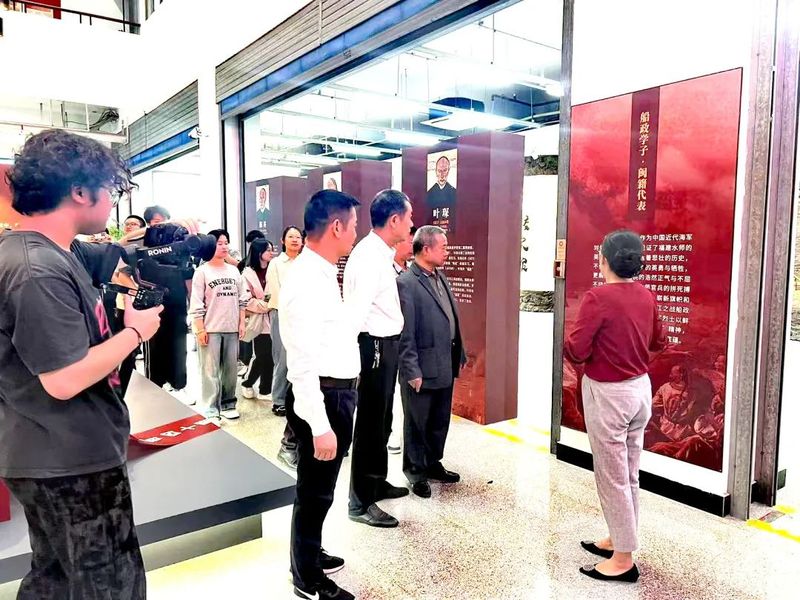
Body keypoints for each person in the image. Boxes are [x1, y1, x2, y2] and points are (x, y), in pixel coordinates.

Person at [0, 129, 163, 598]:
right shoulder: (36, 268)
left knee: (55, 581)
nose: (112, 202)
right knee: (108, 585)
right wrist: (135, 332)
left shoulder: (53, 253)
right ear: (78, 191)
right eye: (108, 190)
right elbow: (64, 378)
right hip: (69, 462)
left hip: (56, 454)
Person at [564, 229, 666, 584]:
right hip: (640, 390)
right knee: (630, 472)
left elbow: (577, 350)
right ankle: (618, 538)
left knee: (612, 476)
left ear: (603, 260)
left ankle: (623, 559)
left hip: (609, 395)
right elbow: (659, 341)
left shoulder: (598, 298)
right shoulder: (646, 295)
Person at [281, 189, 361, 600]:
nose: (356, 233)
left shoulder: (324, 271)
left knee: (320, 489)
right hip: (323, 398)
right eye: (354, 225)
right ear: (336, 226)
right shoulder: (305, 279)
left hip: (337, 394)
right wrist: (319, 425)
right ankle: (306, 577)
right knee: (314, 491)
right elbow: (301, 362)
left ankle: (309, 552)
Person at [345, 189, 414, 528]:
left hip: (386, 344)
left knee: (383, 419)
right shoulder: (369, 256)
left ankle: (376, 481)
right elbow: (356, 312)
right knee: (371, 423)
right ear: (394, 220)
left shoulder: (380, 253)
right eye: (409, 218)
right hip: (373, 344)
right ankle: (359, 501)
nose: (411, 225)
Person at [397, 226, 465, 499]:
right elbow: (405, 332)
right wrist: (411, 369)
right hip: (421, 368)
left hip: (444, 362)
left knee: (439, 419)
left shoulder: (440, 277)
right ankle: (416, 471)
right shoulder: (406, 282)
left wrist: (459, 352)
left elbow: (450, 317)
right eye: (443, 247)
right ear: (426, 249)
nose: (447, 251)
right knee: (417, 422)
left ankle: (433, 462)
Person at [189, 229, 248, 422]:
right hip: (210, 328)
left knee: (231, 370)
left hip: (231, 327)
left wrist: (241, 323)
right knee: (210, 371)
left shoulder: (233, 271)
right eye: (219, 243)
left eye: (225, 243)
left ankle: (229, 403)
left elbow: (242, 299)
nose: (223, 247)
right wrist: (200, 329)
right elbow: (196, 303)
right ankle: (211, 408)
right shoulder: (202, 272)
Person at [268, 226, 304, 470]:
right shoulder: (276, 263)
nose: (295, 240)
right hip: (281, 313)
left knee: (296, 358)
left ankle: (290, 396)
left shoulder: (304, 263)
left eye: (298, 237)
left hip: (301, 316)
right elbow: (276, 291)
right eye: (291, 237)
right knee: (282, 358)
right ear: (282, 240)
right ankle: (279, 399)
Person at [388, 227, 415, 454]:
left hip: (411, 340)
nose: (413, 247)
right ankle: (393, 435)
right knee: (393, 390)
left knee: (407, 389)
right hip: (391, 339)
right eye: (409, 242)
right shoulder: (386, 271)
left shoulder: (413, 270)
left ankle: (404, 435)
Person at [241, 238, 275, 401]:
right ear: (259, 252)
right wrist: (266, 305)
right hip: (258, 319)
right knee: (263, 355)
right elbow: (246, 299)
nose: (271, 253)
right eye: (268, 250)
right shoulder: (247, 273)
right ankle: (250, 384)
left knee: (270, 356)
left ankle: (263, 389)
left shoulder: (273, 269)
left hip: (274, 317)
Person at [237, 229, 267, 374]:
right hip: (253, 315)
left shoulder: (273, 267)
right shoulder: (245, 267)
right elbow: (244, 296)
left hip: (269, 316)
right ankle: (247, 370)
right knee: (251, 345)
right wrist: (265, 305)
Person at [426, 156, 457, 234]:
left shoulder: (454, 192)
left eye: (445, 170)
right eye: (439, 171)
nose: (442, 174)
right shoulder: (429, 193)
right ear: (436, 171)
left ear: (448, 171)